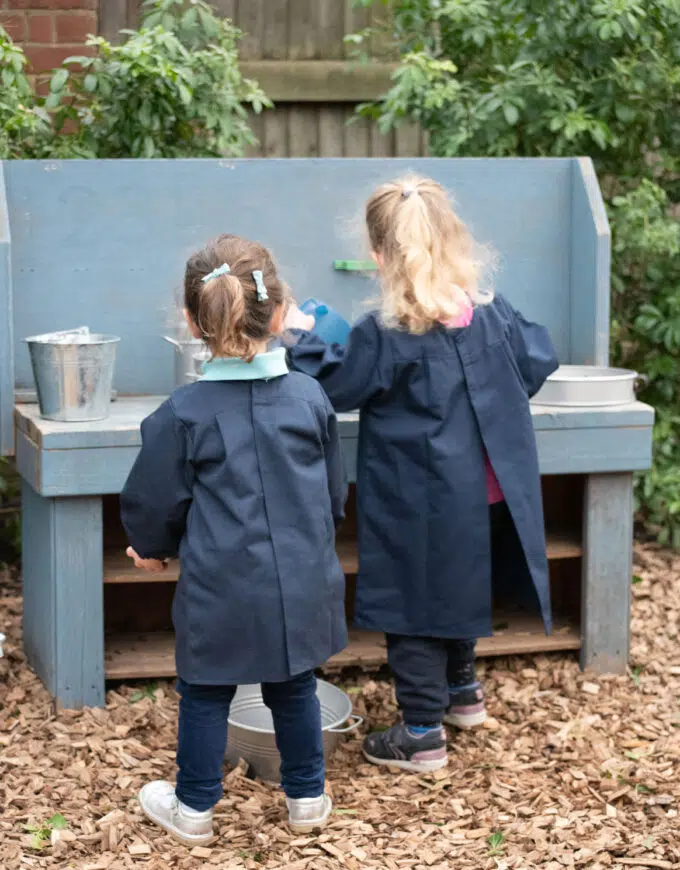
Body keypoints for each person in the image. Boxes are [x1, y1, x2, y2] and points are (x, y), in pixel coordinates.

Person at [285, 174, 558, 773]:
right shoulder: (489, 311)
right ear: (453, 240)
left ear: (380, 256)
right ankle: (462, 694)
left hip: (422, 497)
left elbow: (336, 388)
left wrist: (302, 338)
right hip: (487, 491)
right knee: (457, 586)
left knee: (412, 602)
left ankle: (421, 734)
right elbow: (538, 363)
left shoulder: (388, 333)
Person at [120, 234, 347, 845]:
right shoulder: (310, 397)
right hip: (300, 578)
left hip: (220, 584)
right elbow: (333, 492)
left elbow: (154, 497)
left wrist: (150, 545)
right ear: (279, 314)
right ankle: (307, 798)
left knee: (204, 691)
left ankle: (193, 809)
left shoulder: (183, 413)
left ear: (192, 322)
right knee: (294, 685)